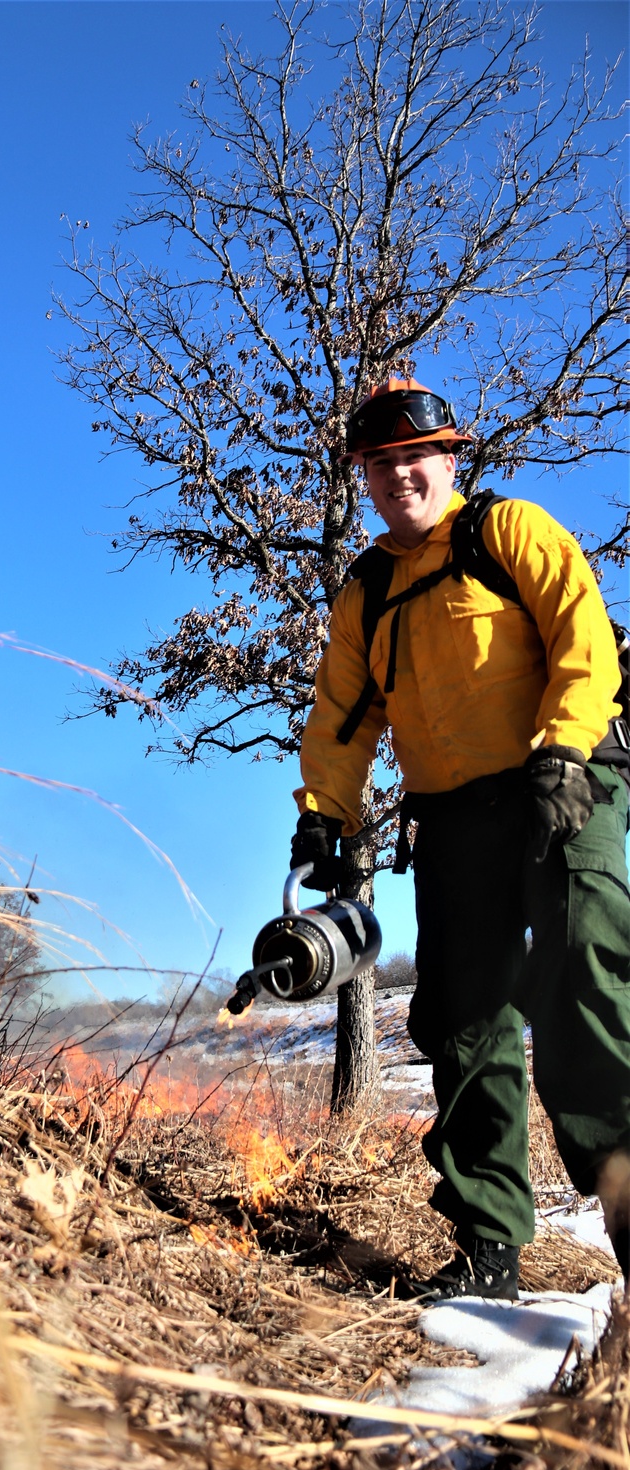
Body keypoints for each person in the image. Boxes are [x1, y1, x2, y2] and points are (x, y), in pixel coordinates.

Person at [292, 376, 630, 1299]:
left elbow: (582, 637)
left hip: (563, 785)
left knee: (583, 984)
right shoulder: (367, 591)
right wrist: (325, 816)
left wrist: (562, 748)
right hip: (453, 822)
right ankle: (489, 1254)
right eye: (380, 464)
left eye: (416, 458)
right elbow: (342, 720)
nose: (400, 477)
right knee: (467, 1025)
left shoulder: (509, 532)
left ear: (450, 460)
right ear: (363, 476)